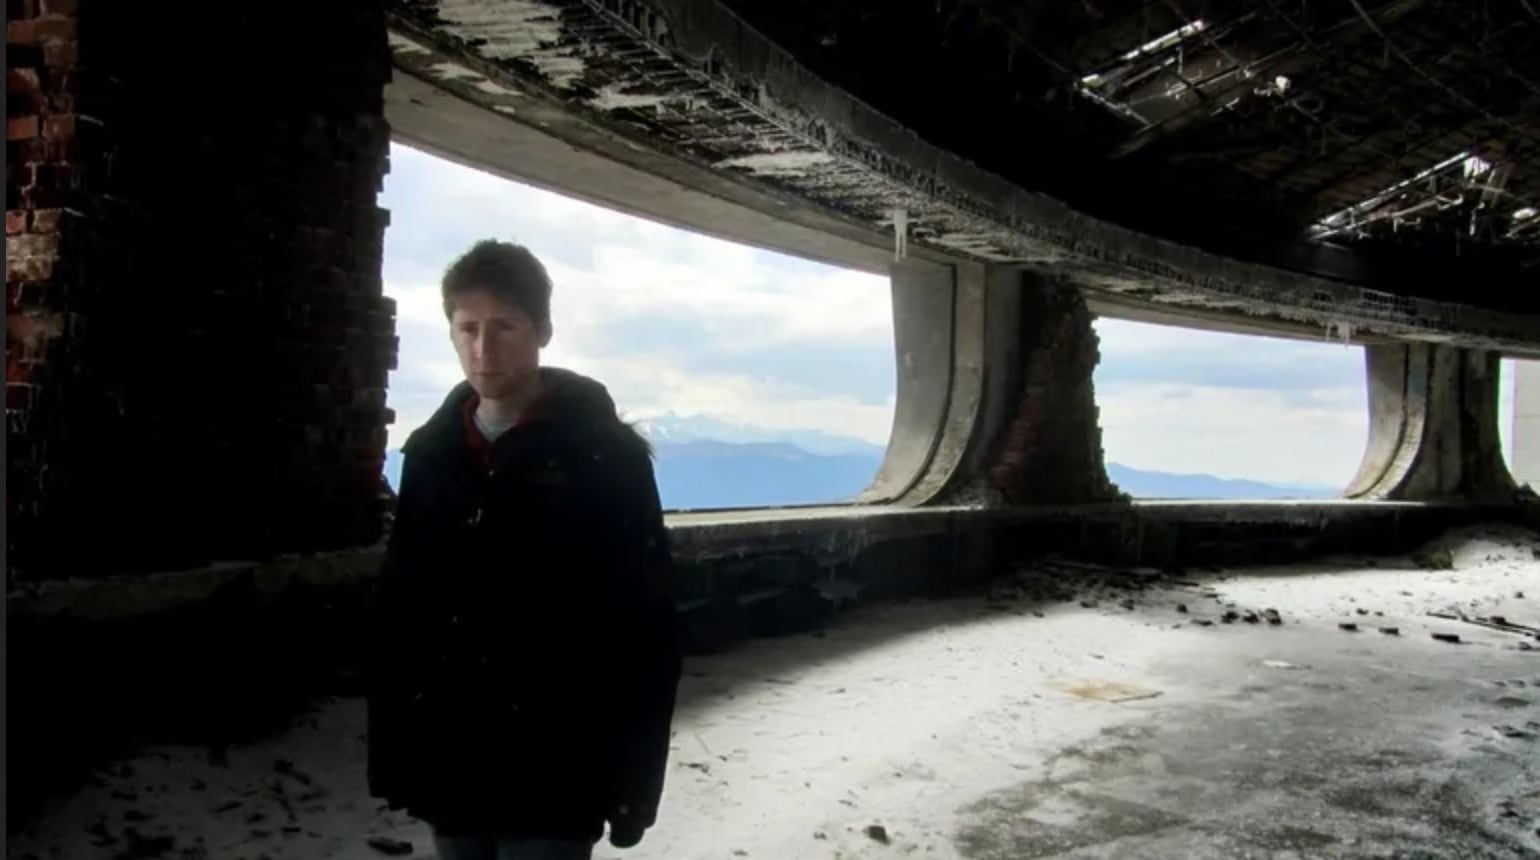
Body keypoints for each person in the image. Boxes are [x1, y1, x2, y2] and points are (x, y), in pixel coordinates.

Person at [366, 239, 682, 860]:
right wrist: (396, 754)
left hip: (558, 759)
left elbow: (646, 628)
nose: (484, 349)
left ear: (542, 330)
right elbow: (400, 614)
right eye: (468, 329)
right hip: (453, 755)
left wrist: (635, 784)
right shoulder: (432, 457)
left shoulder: (605, 458)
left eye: (504, 327)